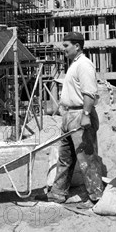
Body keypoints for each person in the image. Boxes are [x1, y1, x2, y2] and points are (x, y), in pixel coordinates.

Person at [45, 31, 105, 207]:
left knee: (87, 159)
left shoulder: (84, 65)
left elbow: (89, 93)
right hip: (69, 115)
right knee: (65, 157)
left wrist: (86, 115)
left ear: (77, 46)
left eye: (66, 46)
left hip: (80, 114)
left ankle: (96, 198)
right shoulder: (74, 64)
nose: (63, 49)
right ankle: (57, 193)